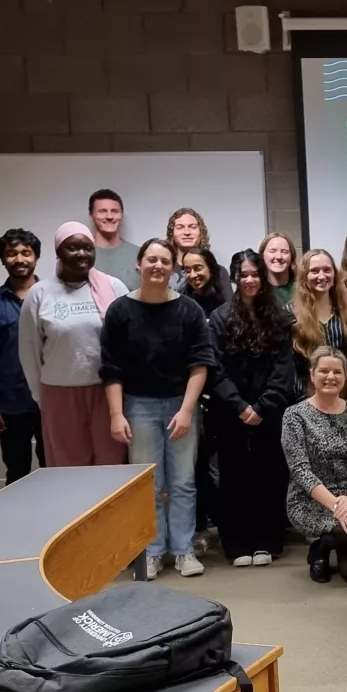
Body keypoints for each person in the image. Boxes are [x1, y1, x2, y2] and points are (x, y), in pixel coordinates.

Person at [100, 238, 215, 581]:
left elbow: (200, 364)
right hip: (138, 406)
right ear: (139, 264)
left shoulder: (189, 311)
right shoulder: (120, 311)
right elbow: (111, 368)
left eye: (165, 261)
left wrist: (186, 410)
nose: (157, 266)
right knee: (147, 485)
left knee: (182, 482)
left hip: (181, 405)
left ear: (173, 268)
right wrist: (117, 413)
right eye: (151, 259)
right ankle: (151, 552)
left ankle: (182, 550)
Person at [208, 249, 295, 567]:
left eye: (254, 274)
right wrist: (240, 406)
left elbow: (284, 369)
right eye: (243, 275)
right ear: (234, 277)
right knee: (234, 476)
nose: (249, 280)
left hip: (269, 411)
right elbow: (215, 368)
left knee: (269, 475)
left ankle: (267, 541)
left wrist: (261, 406)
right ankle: (237, 543)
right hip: (229, 411)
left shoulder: (281, 318)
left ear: (263, 278)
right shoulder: (219, 318)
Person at [18, 222, 130, 467]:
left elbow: (127, 346)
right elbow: (29, 352)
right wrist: (42, 398)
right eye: (72, 248)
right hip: (59, 395)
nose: (81, 254)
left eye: (87, 248)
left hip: (107, 394)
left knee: (111, 464)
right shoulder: (40, 294)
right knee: (68, 467)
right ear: (58, 252)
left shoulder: (114, 287)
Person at [282, 347, 347, 585]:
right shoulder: (294, 415)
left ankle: (324, 545)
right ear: (312, 374)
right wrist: (336, 506)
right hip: (311, 499)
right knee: (346, 530)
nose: (330, 377)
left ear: (345, 376)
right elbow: (300, 469)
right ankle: (321, 550)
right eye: (323, 370)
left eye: (337, 371)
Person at [0, 228, 45, 483]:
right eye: (12, 254)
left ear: (36, 257)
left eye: (26, 253)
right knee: (17, 472)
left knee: (54, 467)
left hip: (50, 400)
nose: (19, 259)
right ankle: (20, 522)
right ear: (3, 259)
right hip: (10, 403)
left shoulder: (51, 297)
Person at [178, 246, 229, 556]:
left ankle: (226, 525)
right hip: (192, 393)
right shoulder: (181, 303)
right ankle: (200, 528)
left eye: (199, 268)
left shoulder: (225, 304)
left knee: (218, 466)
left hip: (222, 392)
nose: (194, 274)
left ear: (211, 268)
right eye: (187, 269)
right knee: (195, 466)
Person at [291, 249, 347, 404]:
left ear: (335, 274)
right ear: (304, 276)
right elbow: (288, 366)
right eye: (314, 271)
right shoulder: (290, 315)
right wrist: (302, 402)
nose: (322, 276)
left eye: (327, 270)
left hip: (346, 395)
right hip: (305, 397)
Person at [166, 207, 230, 295]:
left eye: (192, 227)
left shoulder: (218, 272)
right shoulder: (163, 269)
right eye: (180, 227)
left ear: (201, 232)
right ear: (172, 234)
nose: (187, 232)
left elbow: (229, 307)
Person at [88, 188, 139, 290]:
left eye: (115, 211)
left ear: (121, 215)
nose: (109, 216)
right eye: (102, 211)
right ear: (91, 215)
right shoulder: (82, 255)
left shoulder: (140, 254)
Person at [179, 248, 232, 318]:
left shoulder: (224, 300)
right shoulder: (181, 301)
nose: (192, 275)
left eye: (198, 269)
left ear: (211, 270)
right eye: (187, 271)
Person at [260, 232, 298, 306]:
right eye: (272, 251)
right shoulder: (255, 288)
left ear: (292, 256)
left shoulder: (304, 287)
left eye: (284, 252)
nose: (278, 257)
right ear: (262, 255)